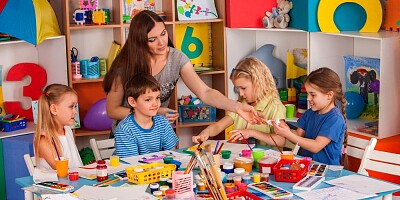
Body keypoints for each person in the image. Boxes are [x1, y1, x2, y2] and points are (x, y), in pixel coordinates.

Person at [103, 10, 263, 137]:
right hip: (127, 136)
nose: (161, 42)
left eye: (163, 33)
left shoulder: (176, 58)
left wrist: (236, 107)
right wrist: (157, 112)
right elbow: (112, 110)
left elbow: (205, 92)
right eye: (152, 39)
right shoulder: (125, 65)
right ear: (139, 41)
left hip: (156, 134)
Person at [192, 57, 287, 149]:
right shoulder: (241, 105)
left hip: (264, 162)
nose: (240, 93)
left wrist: (251, 132)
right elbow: (218, 126)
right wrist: (206, 133)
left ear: (258, 82)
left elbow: (281, 140)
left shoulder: (274, 106)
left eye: (244, 88)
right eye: (238, 89)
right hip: (241, 159)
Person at [273, 67, 347, 165]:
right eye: (307, 94)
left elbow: (316, 146)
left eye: (313, 95)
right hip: (308, 167)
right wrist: (283, 128)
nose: (308, 98)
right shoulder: (310, 113)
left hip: (328, 171)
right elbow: (298, 135)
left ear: (329, 95)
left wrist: (287, 134)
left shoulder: (335, 119)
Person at [114, 74, 178, 158]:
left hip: (157, 169)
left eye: (157, 98)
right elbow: (131, 164)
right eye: (148, 99)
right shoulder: (125, 129)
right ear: (132, 102)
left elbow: (172, 154)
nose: (155, 103)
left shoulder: (163, 122)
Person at [33, 84, 82, 170]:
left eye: (75, 106)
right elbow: (62, 171)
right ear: (54, 109)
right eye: (71, 106)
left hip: (75, 180)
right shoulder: (44, 140)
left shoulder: (67, 130)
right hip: (59, 182)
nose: (75, 112)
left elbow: (75, 163)